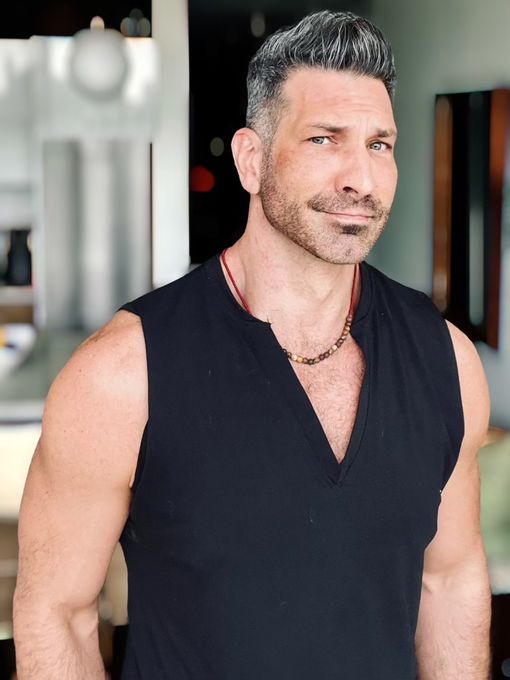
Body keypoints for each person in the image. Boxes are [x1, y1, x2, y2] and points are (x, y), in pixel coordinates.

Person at [13, 10, 491, 680]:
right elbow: (57, 613)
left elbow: (451, 581)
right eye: (324, 139)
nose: (360, 178)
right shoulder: (122, 374)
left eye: (379, 145)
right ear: (250, 160)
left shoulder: (446, 360)